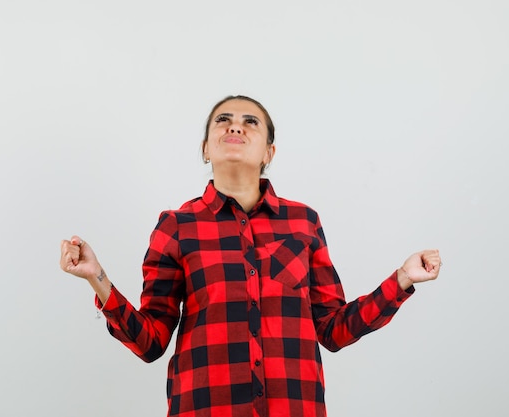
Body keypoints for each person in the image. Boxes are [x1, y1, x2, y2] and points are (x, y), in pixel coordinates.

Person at [59, 95, 442, 417]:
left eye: (250, 122)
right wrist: (98, 278)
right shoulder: (176, 226)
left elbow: (333, 329)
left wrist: (402, 280)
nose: (235, 127)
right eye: (222, 121)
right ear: (206, 149)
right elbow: (151, 342)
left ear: (269, 152)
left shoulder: (303, 223)